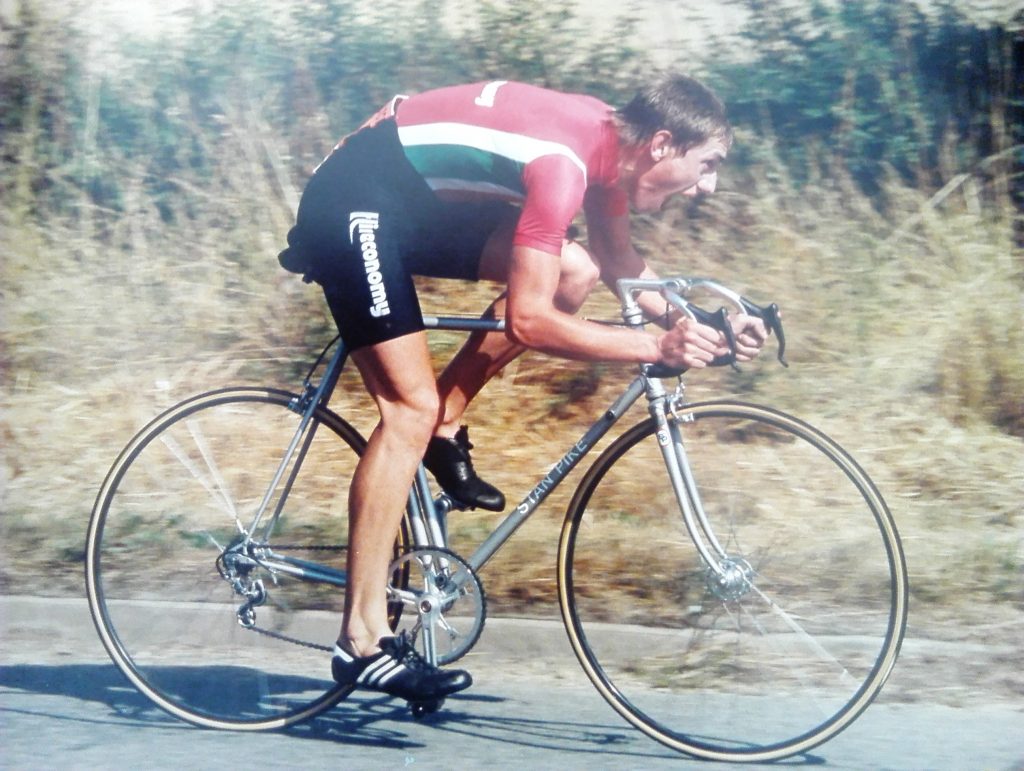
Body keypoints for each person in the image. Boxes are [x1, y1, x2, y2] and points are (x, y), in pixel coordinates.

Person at [278, 74, 767, 703]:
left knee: (578, 268)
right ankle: (360, 640)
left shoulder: (610, 150)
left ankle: (444, 420)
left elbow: (618, 265)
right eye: (708, 166)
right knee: (407, 407)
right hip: (352, 200)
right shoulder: (563, 164)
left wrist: (704, 322)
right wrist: (653, 345)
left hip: (407, 199)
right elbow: (527, 321)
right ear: (664, 145)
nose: (710, 186)